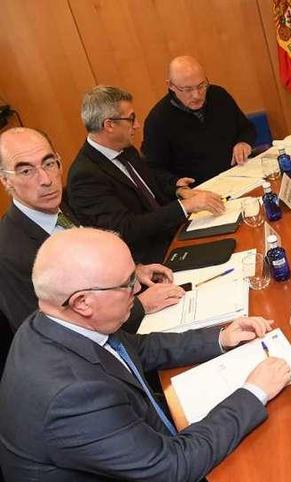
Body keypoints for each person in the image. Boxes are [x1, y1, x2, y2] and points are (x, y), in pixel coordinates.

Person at [0, 227, 291, 482]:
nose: (138, 290)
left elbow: (137, 348)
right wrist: (254, 392)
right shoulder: (71, 396)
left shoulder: (55, 320)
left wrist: (220, 338)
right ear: (82, 302)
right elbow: (175, 467)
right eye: (127, 283)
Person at [0, 127, 183, 371]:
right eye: (26, 171)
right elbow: (52, 340)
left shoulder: (61, 205)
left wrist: (130, 275)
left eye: (49, 163)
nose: (45, 179)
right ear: (5, 180)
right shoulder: (8, 252)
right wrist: (140, 306)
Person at [66, 85, 225, 264]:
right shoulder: (85, 177)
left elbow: (149, 181)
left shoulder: (125, 148)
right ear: (109, 125)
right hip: (151, 258)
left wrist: (178, 190)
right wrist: (185, 206)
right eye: (131, 119)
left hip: (174, 232)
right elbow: (126, 229)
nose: (137, 124)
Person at [142, 55, 257, 184]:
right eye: (188, 89)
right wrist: (176, 183)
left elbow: (246, 128)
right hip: (201, 190)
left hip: (239, 174)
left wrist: (243, 142)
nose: (197, 95)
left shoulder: (219, 95)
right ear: (171, 86)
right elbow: (153, 169)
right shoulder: (158, 120)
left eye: (201, 85)